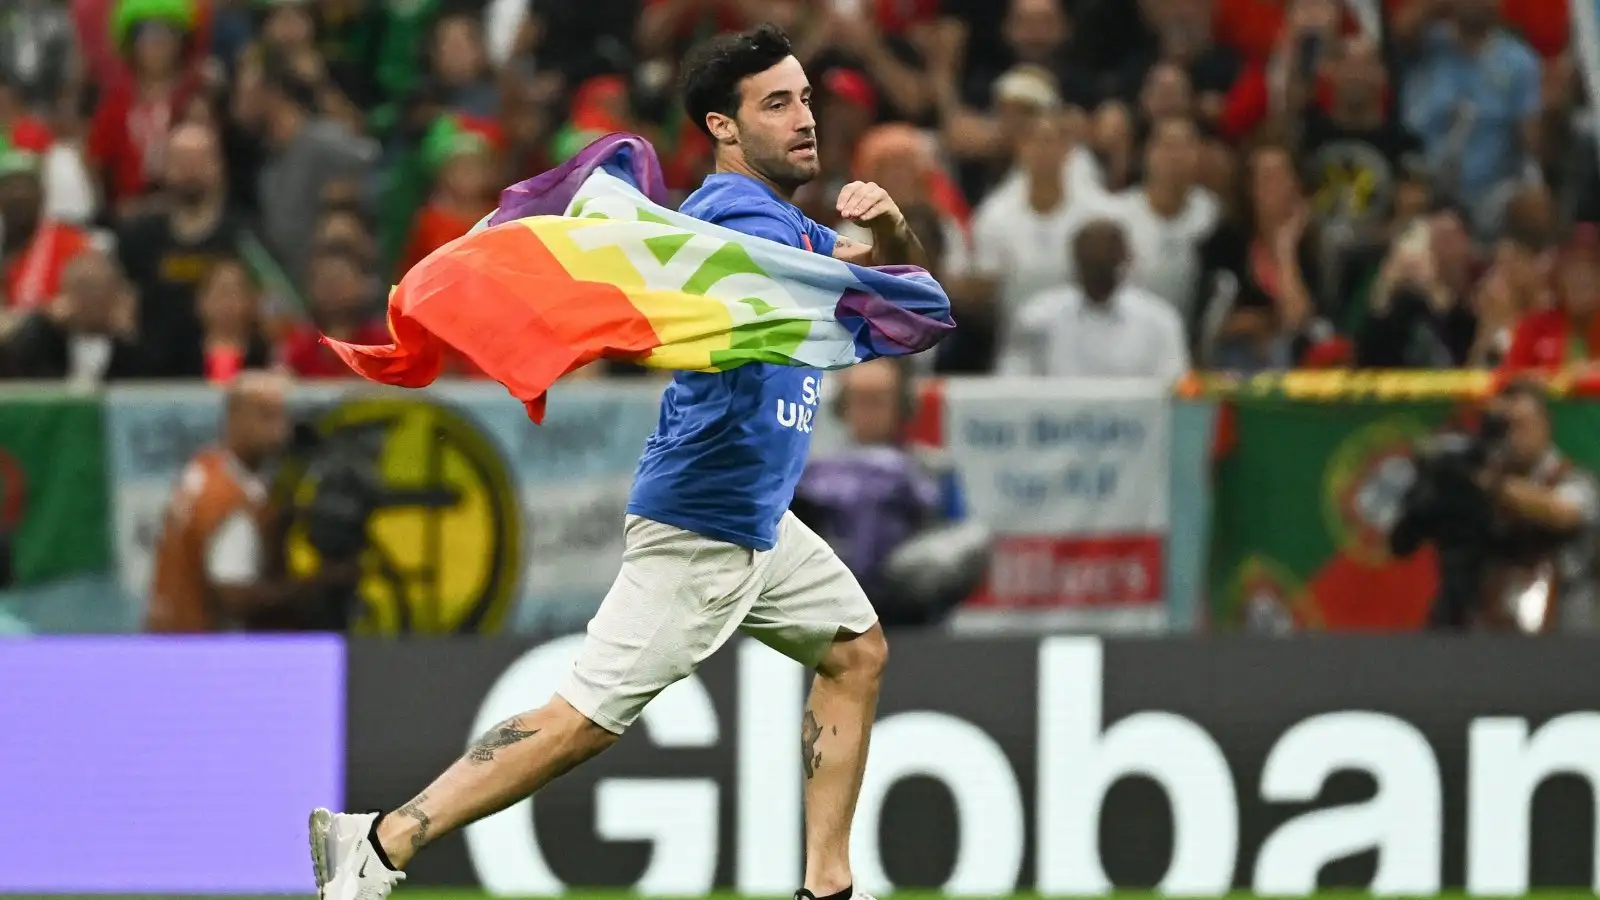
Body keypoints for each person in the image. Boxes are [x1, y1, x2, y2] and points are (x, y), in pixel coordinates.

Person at [307, 23, 936, 900]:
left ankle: (826, 886)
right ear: (723, 127)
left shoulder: (777, 222)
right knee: (580, 724)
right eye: (778, 103)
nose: (805, 119)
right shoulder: (736, 214)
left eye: (805, 98)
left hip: (755, 518)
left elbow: (885, 297)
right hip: (707, 521)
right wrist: (882, 249)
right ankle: (380, 842)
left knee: (855, 651)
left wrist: (892, 228)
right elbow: (892, 300)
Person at [1000, 216, 1189, 383]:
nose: (1098, 276)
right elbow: (1013, 385)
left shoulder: (1160, 320)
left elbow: (1174, 389)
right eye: (1091, 267)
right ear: (1075, 264)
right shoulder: (1037, 316)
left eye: (1105, 266)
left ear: (1126, 262)